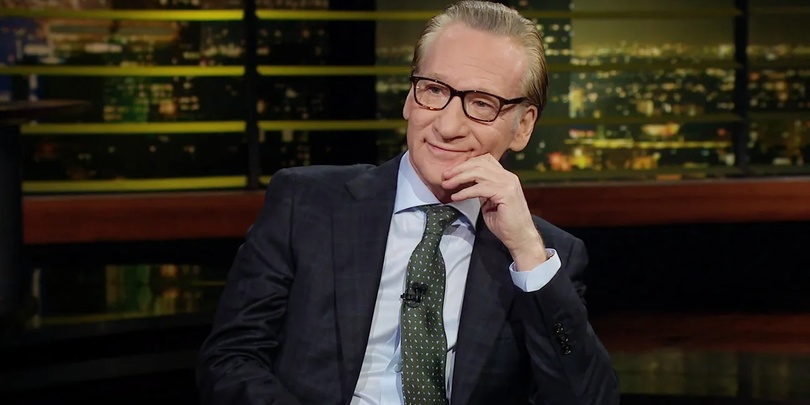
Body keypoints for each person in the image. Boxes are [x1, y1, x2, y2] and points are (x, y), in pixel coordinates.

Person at [196, 1, 619, 404]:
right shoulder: (307, 204)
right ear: (408, 98)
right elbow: (230, 361)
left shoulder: (544, 257)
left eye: (481, 104)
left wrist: (526, 250)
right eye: (433, 90)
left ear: (523, 127)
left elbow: (586, 398)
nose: (447, 125)